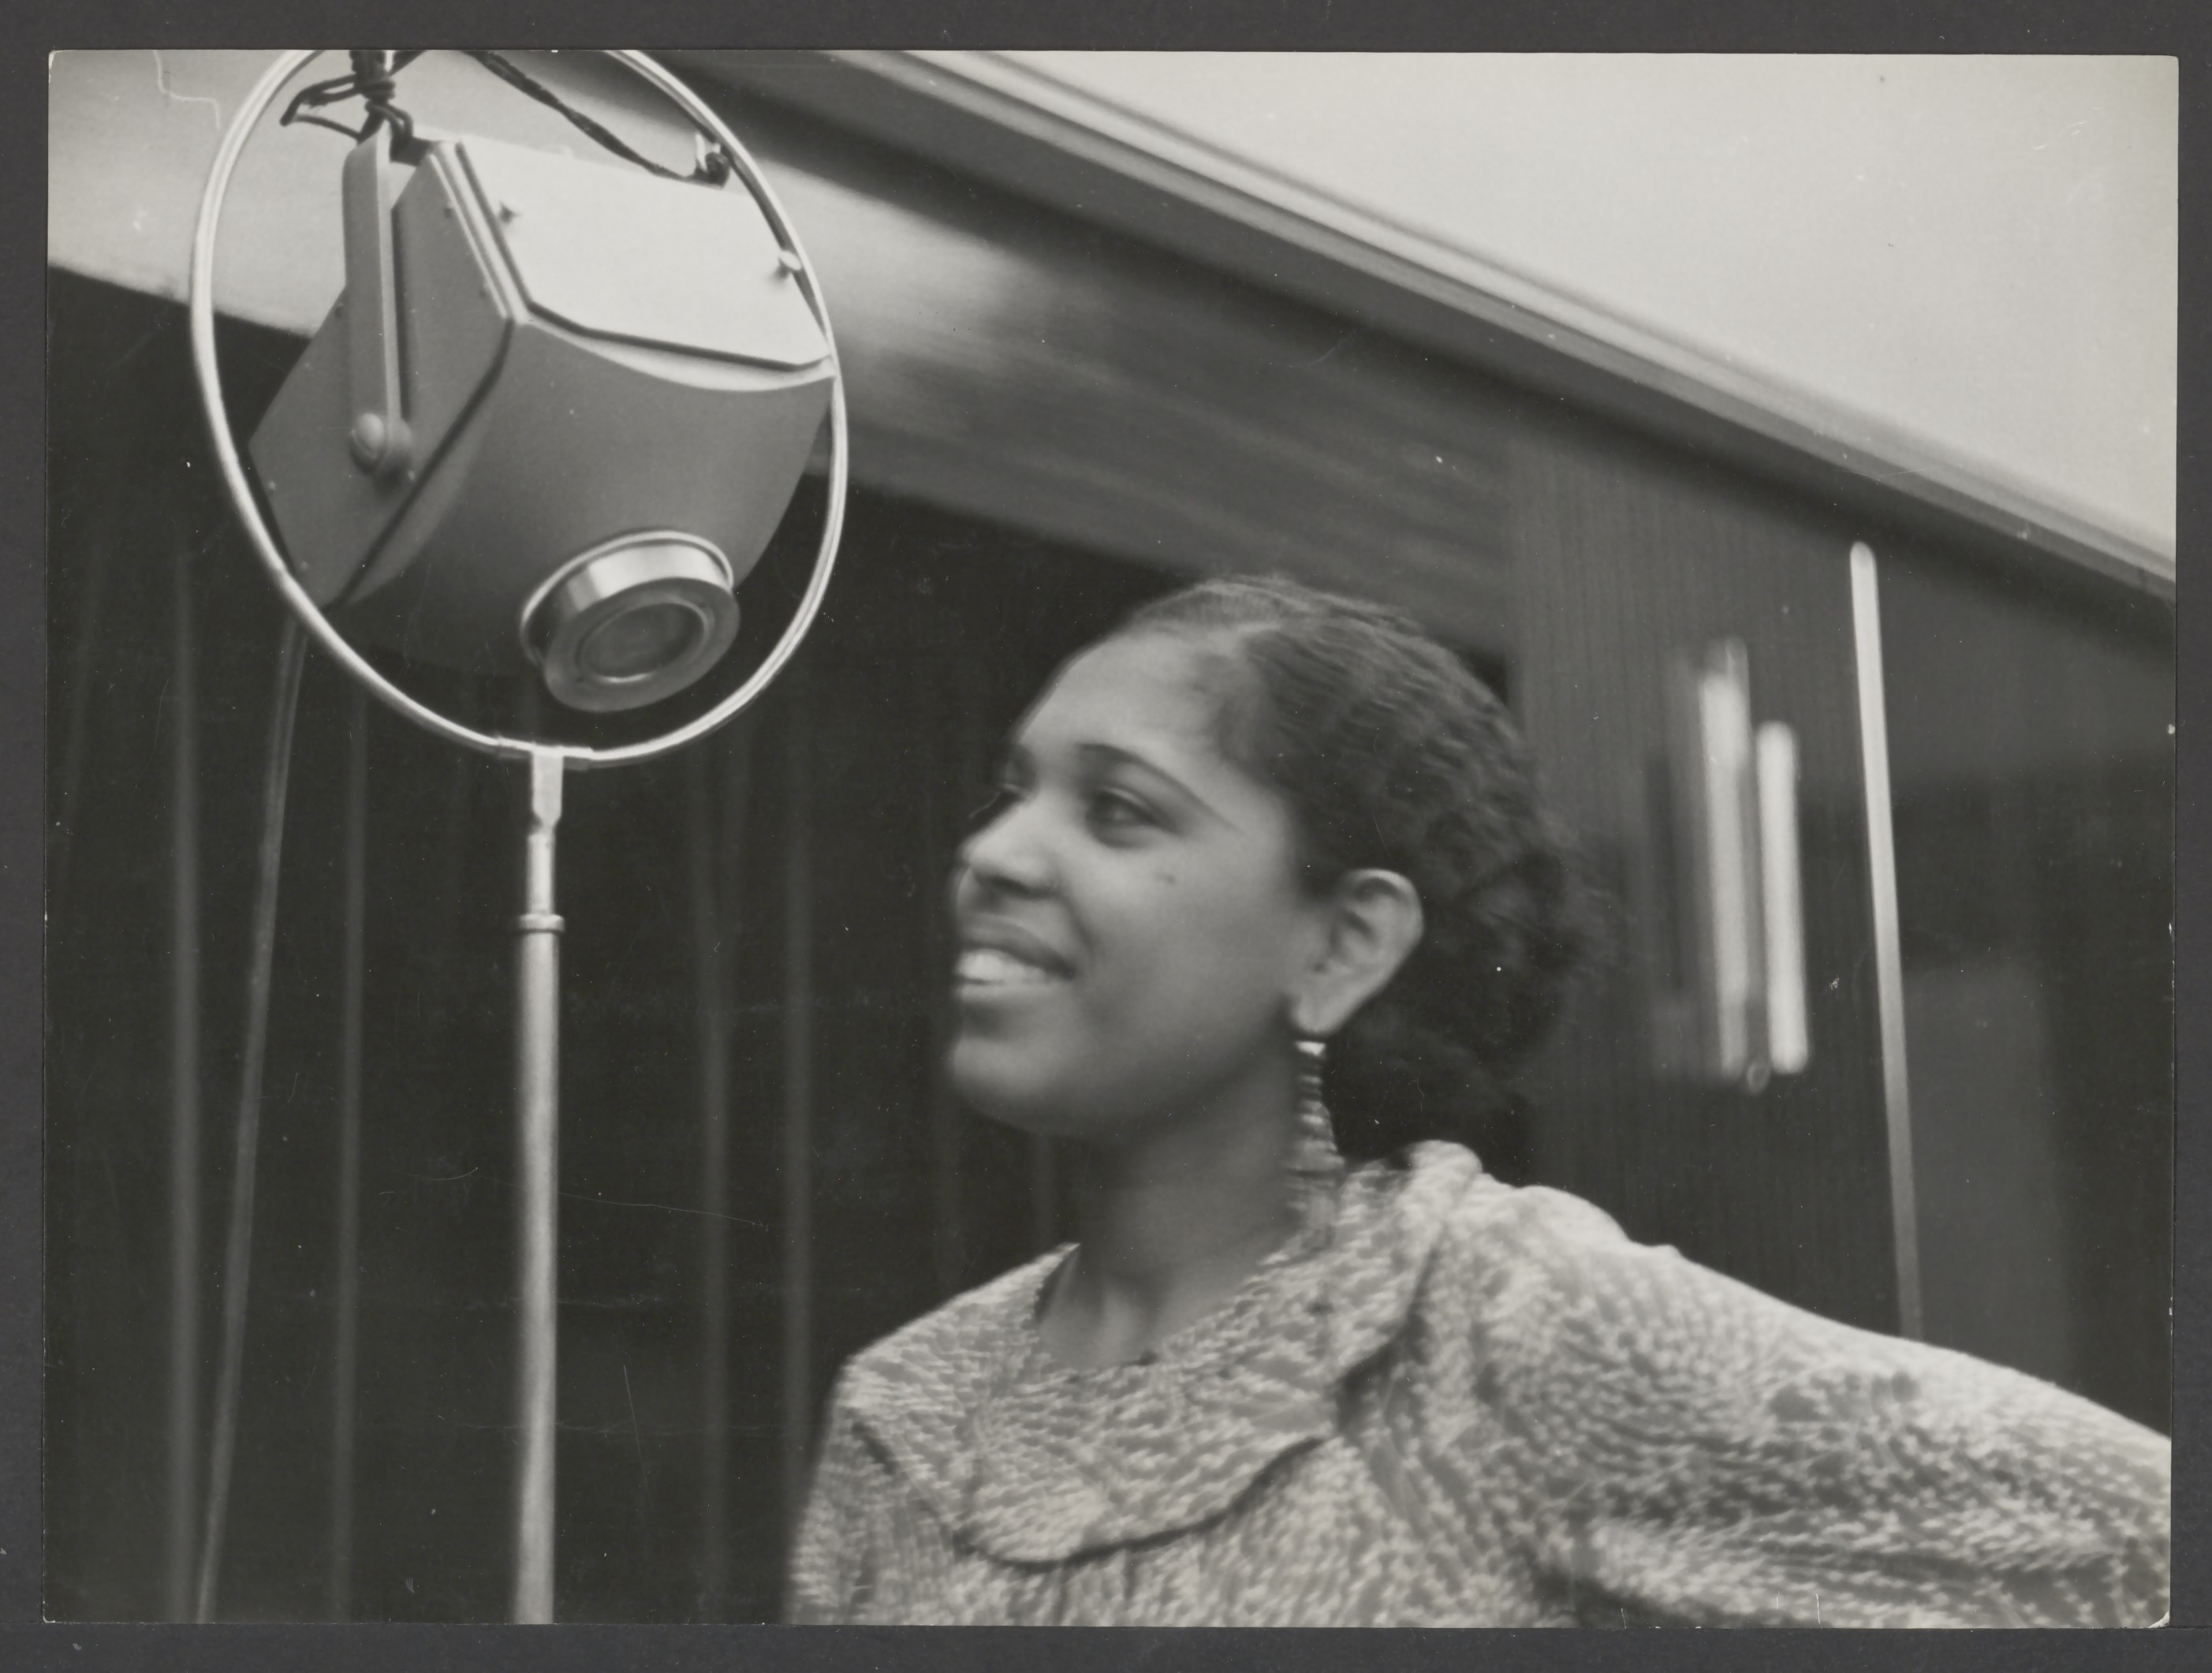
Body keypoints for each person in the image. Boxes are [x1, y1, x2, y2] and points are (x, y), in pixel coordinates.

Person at [787, 575, 2169, 1627]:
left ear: (1341, 944)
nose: (992, 854)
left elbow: (2139, 1534)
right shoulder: (902, 1412)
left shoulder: (1502, 1319)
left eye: (1120, 810)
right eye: (1011, 791)